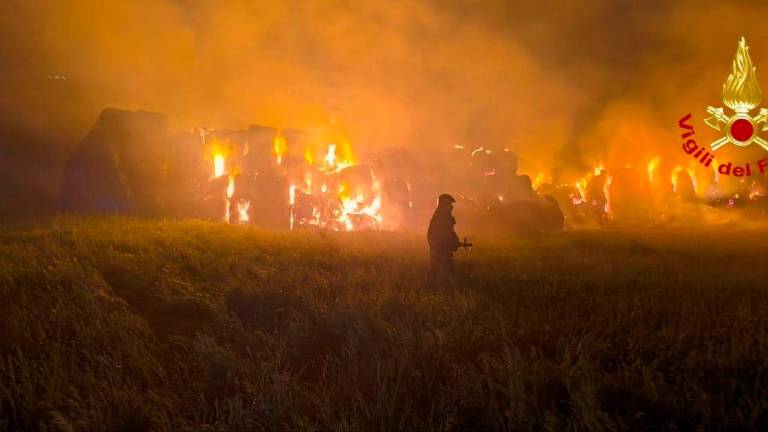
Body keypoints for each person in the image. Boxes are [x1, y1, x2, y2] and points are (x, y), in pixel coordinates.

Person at [427, 193, 461, 286]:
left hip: (444, 252)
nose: (451, 207)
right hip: (439, 253)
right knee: (439, 276)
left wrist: (455, 241)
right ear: (443, 205)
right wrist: (439, 247)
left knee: (447, 274)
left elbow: (450, 233)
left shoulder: (445, 218)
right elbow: (433, 236)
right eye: (449, 204)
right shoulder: (439, 219)